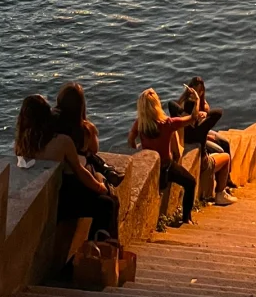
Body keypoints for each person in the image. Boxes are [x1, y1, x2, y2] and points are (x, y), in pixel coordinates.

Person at [16, 94, 119, 241]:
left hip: (35, 198)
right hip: (59, 201)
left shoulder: (22, 144)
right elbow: (79, 171)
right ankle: (97, 250)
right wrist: (99, 187)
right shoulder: (61, 142)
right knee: (107, 204)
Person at [127, 88, 205, 225]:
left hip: (150, 168)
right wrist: (197, 99)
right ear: (157, 104)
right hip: (166, 168)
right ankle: (186, 218)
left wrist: (141, 146)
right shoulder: (167, 123)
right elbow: (192, 118)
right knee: (190, 182)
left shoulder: (140, 123)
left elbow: (131, 141)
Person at [174, 79, 234, 203]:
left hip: (202, 130)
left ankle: (227, 179)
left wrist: (204, 117)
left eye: (201, 91)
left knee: (224, 142)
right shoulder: (185, 104)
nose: (199, 93)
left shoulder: (204, 104)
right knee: (219, 150)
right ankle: (220, 187)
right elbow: (192, 125)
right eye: (196, 90)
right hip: (196, 133)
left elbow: (206, 124)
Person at [55, 81, 124, 188]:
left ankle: (108, 171)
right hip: (80, 173)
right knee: (91, 156)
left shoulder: (54, 125)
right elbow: (94, 149)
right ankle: (107, 171)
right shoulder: (86, 128)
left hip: (60, 172)